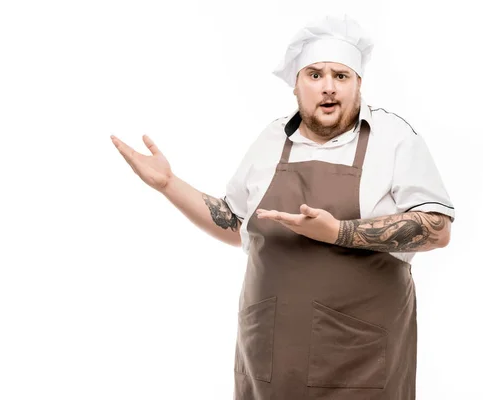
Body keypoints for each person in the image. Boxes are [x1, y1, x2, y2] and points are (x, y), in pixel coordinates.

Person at [110, 14, 455, 400]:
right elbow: (235, 222)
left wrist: (339, 232)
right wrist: (168, 185)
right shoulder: (271, 139)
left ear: (359, 84)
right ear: (296, 85)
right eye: (315, 74)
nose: (328, 88)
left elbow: (438, 227)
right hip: (269, 362)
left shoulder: (393, 138)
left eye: (341, 76)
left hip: (361, 366)